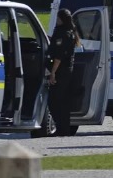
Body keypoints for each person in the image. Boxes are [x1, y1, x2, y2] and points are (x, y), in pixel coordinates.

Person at [47, 8, 80, 136]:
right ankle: (64, 129)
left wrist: (53, 73)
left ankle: (61, 128)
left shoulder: (63, 33)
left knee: (54, 101)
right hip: (67, 71)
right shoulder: (70, 32)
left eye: (58, 18)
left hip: (60, 71)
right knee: (63, 101)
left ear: (61, 19)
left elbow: (59, 56)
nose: (56, 20)